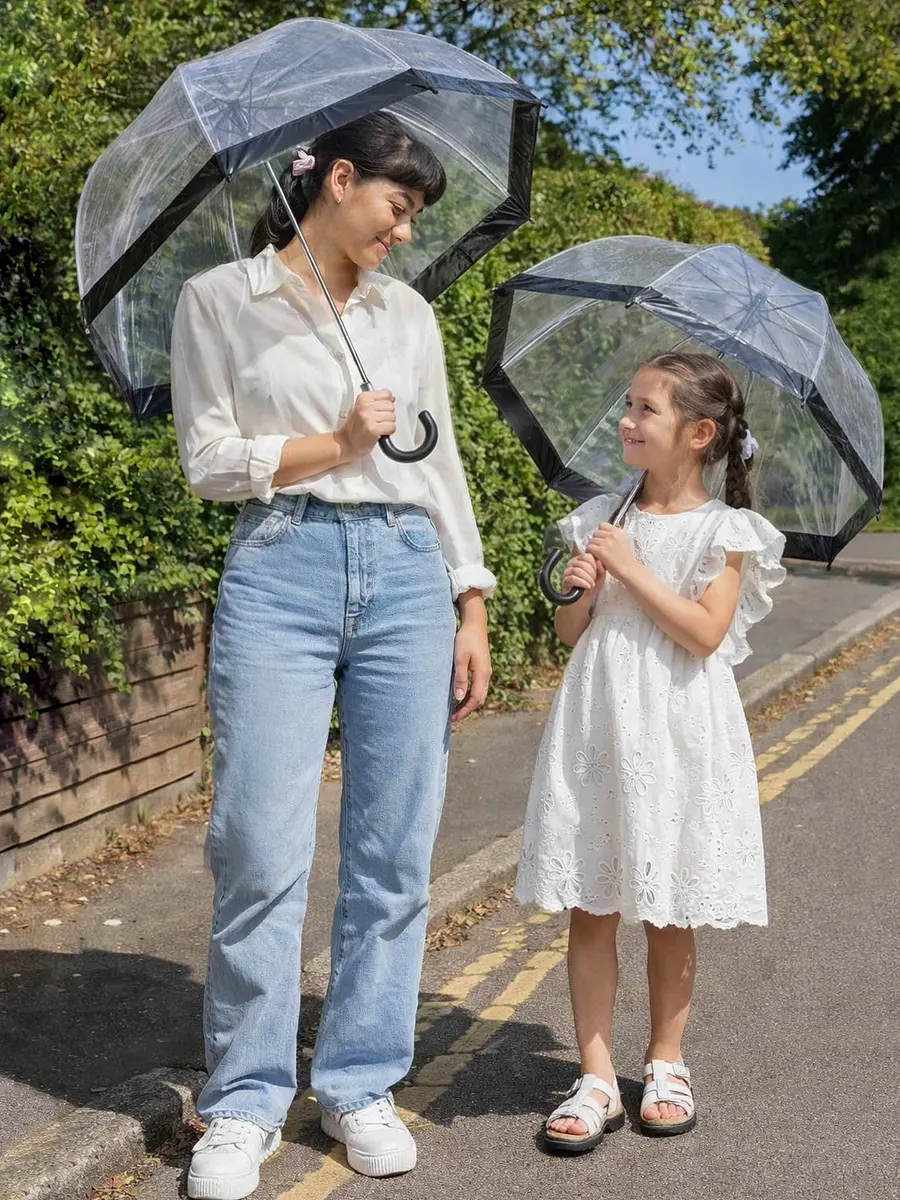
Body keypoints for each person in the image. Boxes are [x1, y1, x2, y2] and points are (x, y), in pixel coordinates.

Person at [170, 112, 494, 1200]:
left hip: (406, 571)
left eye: (416, 218)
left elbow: (438, 465)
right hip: (282, 566)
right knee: (258, 845)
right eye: (399, 208)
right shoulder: (221, 299)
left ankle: (359, 1082)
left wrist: (472, 600)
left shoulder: (409, 315)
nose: (406, 233)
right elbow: (208, 460)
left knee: (393, 851)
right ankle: (245, 1101)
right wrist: (335, 444)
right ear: (340, 179)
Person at [516, 351, 785, 1154]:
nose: (627, 420)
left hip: (677, 726)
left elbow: (704, 634)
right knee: (592, 899)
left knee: (669, 904)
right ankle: (596, 1076)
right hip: (601, 718)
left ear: (698, 434)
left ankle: (666, 1062)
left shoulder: (725, 530)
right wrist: (585, 584)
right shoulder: (605, 513)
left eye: (645, 409)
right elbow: (572, 632)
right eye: (628, 404)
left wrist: (633, 568)